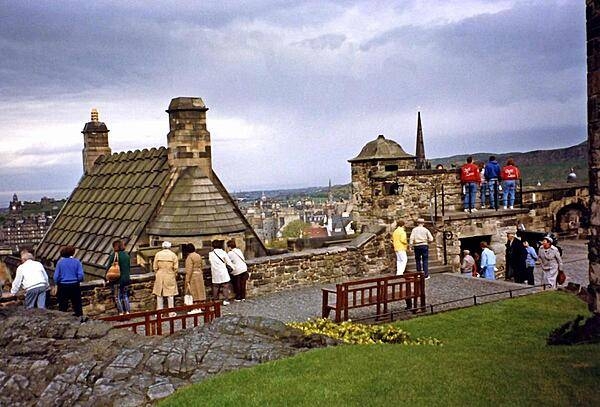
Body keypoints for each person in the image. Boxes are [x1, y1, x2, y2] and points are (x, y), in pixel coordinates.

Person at [54, 245, 84, 317]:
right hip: (74, 285)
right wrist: (77, 280)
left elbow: (56, 277)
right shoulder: (77, 262)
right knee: (77, 305)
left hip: (63, 286)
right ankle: (80, 320)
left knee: (63, 305)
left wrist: (57, 283)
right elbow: (80, 275)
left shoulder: (60, 263)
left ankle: (63, 321)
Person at [105, 240, 131, 315]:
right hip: (126, 279)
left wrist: (106, 278)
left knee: (117, 297)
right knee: (125, 295)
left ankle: (121, 312)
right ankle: (128, 312)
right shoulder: (126, 255)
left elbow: (108, 267)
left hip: (117, 280)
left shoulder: (114, 255)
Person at [152, 241, 179, 313]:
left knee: (159, 294)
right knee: (170, 294)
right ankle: (171, 312)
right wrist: (174, 273)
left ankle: (159, 312)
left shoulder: (158, 254)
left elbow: (154, 267)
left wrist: (157, 272)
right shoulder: (173, 255)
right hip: (170, 274)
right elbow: (176, 268)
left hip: (160, 274)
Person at [208, 239, 234, 305]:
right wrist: (233, 268)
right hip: (223, 271)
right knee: (225, 286)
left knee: (215, 286)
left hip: (215, 272)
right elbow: (229, 262)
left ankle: (216, 300)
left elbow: (210, 262)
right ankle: (226, 300)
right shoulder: (223, 252)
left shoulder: (210, 254)